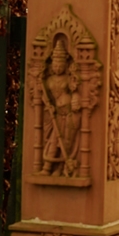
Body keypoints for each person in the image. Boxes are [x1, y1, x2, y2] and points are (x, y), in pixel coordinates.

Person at [40, 37, 81, 177]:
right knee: (53, 141)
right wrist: (48, 106)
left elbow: (75, 90)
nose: (57, 67)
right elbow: (43, 96)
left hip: (68, 114)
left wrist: (75, 99)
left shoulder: (68, 79)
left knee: (66, 142)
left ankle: (60, 168)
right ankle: (47, 167)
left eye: (60, 64)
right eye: (55, 64)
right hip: (56, 114)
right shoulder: (49, 81)